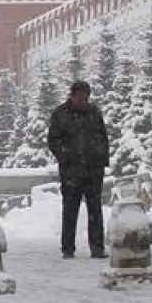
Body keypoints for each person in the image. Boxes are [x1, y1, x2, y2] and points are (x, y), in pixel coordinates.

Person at [48, 81, 109, 259]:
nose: (84, 101)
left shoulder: (94, 113)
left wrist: (101, 162)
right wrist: (67, 158)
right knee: (70, 211)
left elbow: (103, 138)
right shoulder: (60, 115)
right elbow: (53, 141)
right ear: (72, 96)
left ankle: (97, 248)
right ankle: (68, 248)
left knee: (95, 211)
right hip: (71, 173)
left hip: (92, 171)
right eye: (81, 98)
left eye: (86, 98)